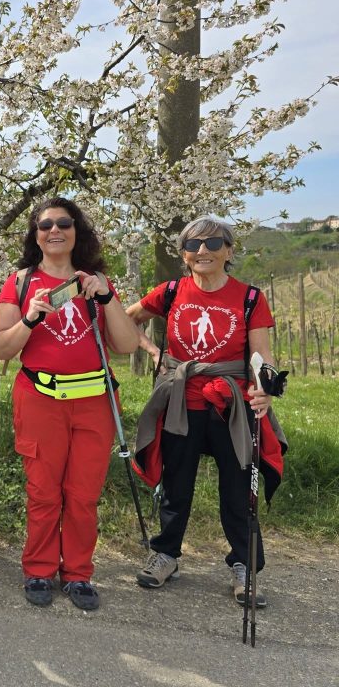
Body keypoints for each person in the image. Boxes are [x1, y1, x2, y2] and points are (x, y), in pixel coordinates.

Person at [127, 216, 286, 607]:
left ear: (229, 252)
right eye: (194, 245)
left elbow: (260, 354)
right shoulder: (168, 292)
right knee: (176, 482)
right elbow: (126, 320)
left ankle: (244, 565)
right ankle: (166, 555)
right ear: (183, 254)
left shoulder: (249, 298)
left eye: (214, 244)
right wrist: (152, 351)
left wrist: (263, 389)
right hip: (183, 399)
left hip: (231, 403)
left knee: (237, 487)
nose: (203, 251)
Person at [0, 197, 138, 610]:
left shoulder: (97, 281)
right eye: (45, 225)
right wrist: (29, 319)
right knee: (43, 491)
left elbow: (125, 346)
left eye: (64, 223)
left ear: (77, 232)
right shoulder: (19, 281)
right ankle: (38, 568)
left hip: (93, 401)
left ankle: (78, 573)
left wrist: (107, 298)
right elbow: (1, 348)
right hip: (40, 399)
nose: (54, 230)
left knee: (83, 494)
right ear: (35, 235)